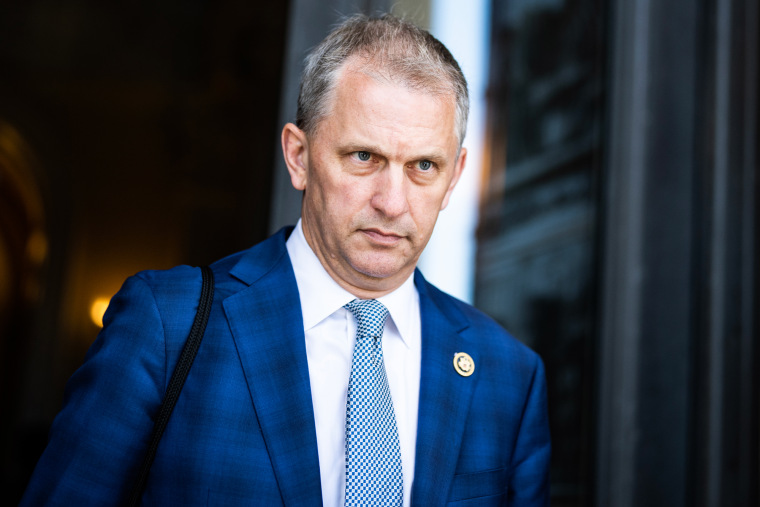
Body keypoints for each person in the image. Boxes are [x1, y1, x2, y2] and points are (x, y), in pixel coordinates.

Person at [21, 14, 550, 506]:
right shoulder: (166, 325)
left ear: (454, 176)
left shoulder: (508, 374)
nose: (392, 202)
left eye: (424, 166)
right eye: (364, 157)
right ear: (299, 156)